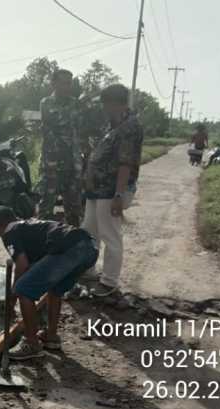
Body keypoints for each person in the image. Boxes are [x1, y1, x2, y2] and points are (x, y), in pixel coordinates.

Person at [0, 206, 99, 360]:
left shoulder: (9, 233)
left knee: (23, 289)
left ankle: (31, 343)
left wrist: (12, 298)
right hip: (89, 247)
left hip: (70, 249)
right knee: (55, 289)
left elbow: (21, 265)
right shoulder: (30, 227)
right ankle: (51, 337)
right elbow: (34, 265)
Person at [81, 84, 144, 296]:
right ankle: (88, 270)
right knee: (89, 231)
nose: (104, 108)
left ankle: (109, 281)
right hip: (97, 189)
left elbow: (125, 164)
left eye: (106, 104)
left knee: (110, 234)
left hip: (111, 190)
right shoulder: (113, 124)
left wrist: (118, 195)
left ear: (116, 103)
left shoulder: (129, 127)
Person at [36, 69, 83, 226]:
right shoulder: (46, 103)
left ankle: (72, 243)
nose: (68, 86)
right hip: (52, 163)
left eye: (70, 83)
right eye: (64, 83)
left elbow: (80, 129)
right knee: (46, 205)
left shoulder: (75, 103)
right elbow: (49, 129)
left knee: (74, 208)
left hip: (72, 162)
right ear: (54, 83)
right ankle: (42, 242)